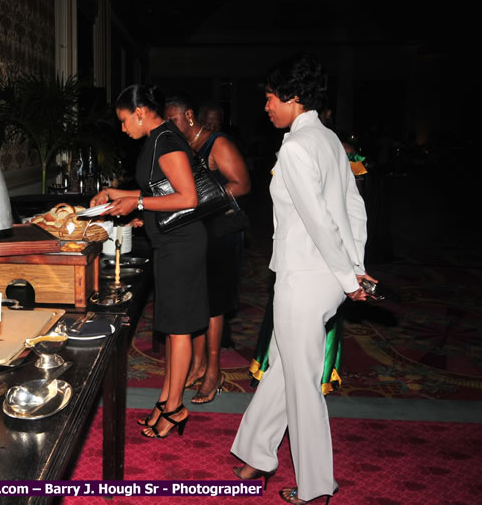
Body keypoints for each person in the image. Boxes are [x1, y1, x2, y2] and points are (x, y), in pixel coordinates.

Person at [230, 52, 375, 504]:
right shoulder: (329, 138)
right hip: (325, 277)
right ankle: (256, 452)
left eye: (271, 98)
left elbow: (318, 220)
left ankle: (316, 487)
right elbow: (354, 208)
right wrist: (356, 265)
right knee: (282, 367)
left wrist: (350, 275)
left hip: (306, 278)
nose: (267, 106)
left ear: (292, 97)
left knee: (302, 384)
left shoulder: (295, 147)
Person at [91, 84, 209, 439]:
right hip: (170, 242)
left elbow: (188, 198)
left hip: (183, 245)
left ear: (140, 112)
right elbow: (157, 192)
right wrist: (116, 195)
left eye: (125, 120)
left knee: (180, 329)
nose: (123, 128)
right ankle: (165, 400)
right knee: (173, 328)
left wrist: (138, 205)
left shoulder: (167, 141)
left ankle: (175, 407)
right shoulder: (156, 138)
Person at [164, 94, 251, 404]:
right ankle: (199, 364)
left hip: (222, 233)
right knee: (197, 301)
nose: (168, 126)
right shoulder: (185, 147)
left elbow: (242, 184)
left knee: (214, 305)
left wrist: (203, 199)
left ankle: (213, 371)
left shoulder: (219, 143)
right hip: (197, 235)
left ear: (189, 116)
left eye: (172, 120)